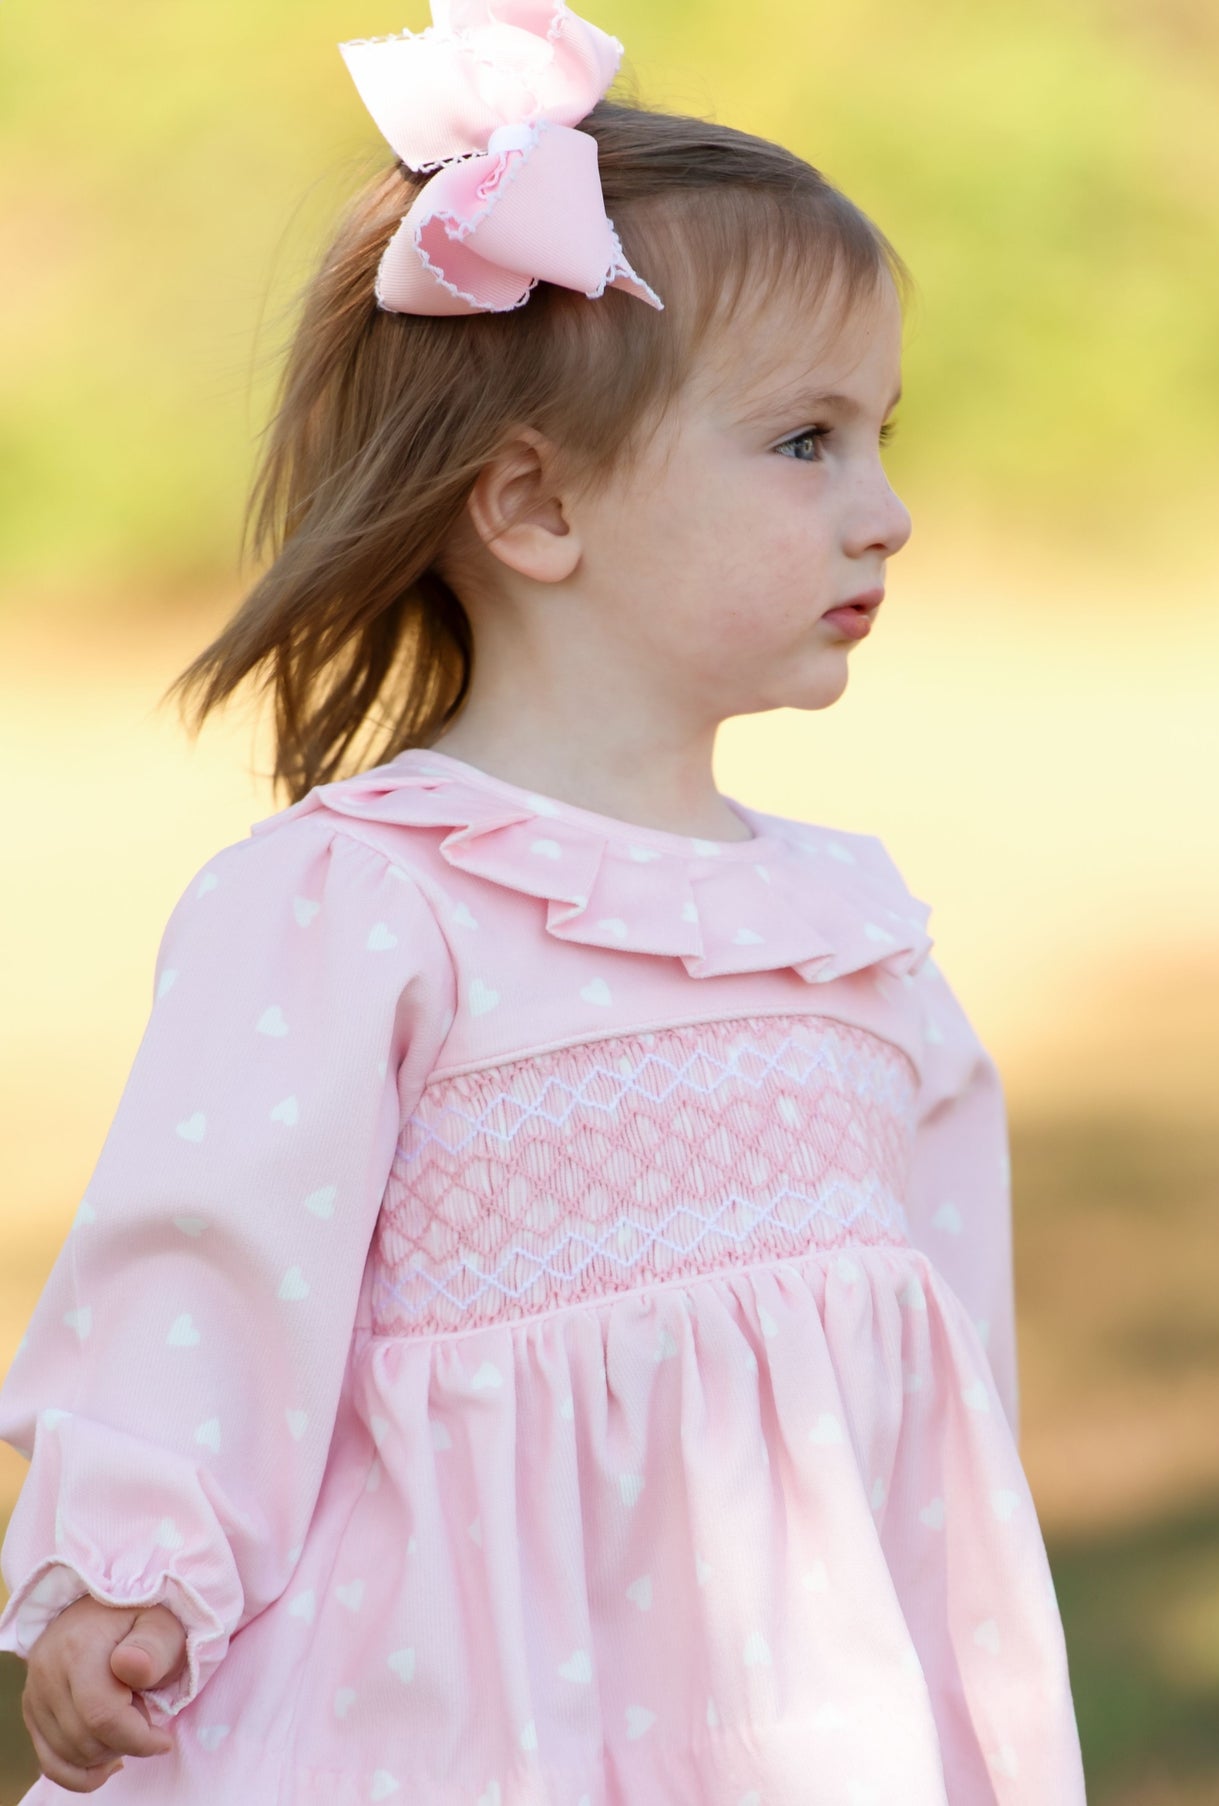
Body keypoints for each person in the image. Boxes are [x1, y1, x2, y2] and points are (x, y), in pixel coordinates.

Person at [0, 2, 1088, 1799]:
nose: (885, 510)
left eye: (882, 435)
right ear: (532, 503)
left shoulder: (849, 934)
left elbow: (943, 1363)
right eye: (805, 441)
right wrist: (133, 1569)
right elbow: (211, 1259)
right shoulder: (365, 901)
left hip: (798, 1725)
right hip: (448, 1714)